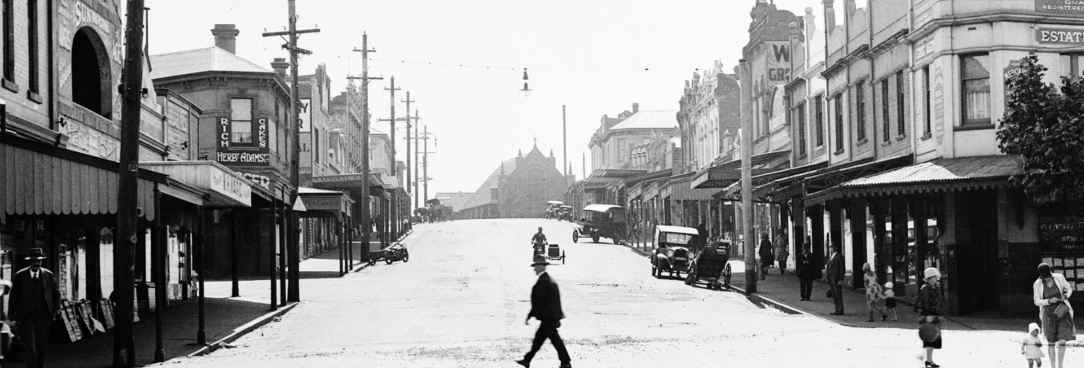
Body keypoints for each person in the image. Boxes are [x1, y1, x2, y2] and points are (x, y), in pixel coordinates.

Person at [9, 248, 61, 368]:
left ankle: (40, 365)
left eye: (39, 261)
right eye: (34, 261)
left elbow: (56, 293)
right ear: (29, 261)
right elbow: (14, 295)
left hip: (44, 314)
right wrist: (11, 312)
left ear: (41, 262)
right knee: (30, 344)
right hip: (26, 316)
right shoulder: (19, 275)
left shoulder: (48, 275)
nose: (36, 263)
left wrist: (57, 308)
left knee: (41, 344)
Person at [517, 255, 571, 368]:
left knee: (555, 340)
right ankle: (527, 360)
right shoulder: (549, 280)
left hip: (548, 317)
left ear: (541, 267)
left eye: (536, 266)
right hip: (550, 316)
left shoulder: (544, 281)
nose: (534, 269)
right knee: (539, 339)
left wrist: (530, 315)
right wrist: (558, 316)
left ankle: (565, 362)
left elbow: (538, 301)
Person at [1033, 263, 1075, 368]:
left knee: (1062, 340)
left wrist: (1064, 296)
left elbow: (1069, 288)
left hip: (1062, 311)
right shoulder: (1037, 284)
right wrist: (1048, 301)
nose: (1047, 279)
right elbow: (1036, 301)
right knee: (1051, 341)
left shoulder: (1059, 277)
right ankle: (1053, 366)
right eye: (1044, 277)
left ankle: (1060, 366)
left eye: (1048, 276)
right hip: (1048, 314)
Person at [916, 267, 943, 368]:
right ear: (929, 278)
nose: (935, 279)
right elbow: (926, 304)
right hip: (928, 316)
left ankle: (929, 360)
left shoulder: (934, 287)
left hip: (933, 315)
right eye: (933, 278)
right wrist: (929, 315)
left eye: (935, 277)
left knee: (932, 339)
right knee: (929, 338)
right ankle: (929, 360)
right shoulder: (926, 288)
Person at [825, 244, 844, 315]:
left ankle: (840, 309)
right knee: (834, 295)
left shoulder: (839, 256)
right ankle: (837, 308)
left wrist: (841, 279)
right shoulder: (831, 257)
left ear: (836, 247)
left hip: (836, 278)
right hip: (831, 278)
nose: (831, 249)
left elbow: (842, 268)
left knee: (838, 294)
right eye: (830, 247)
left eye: (833, 247)